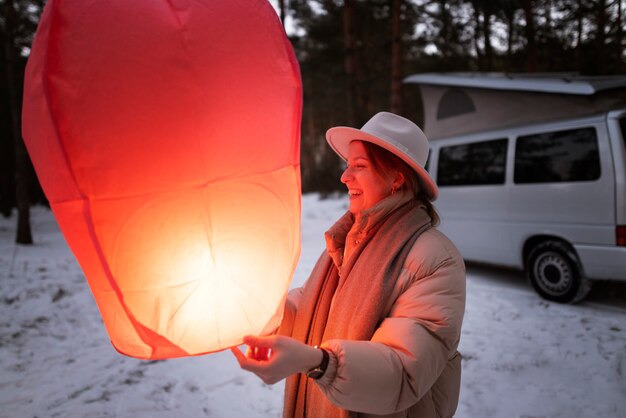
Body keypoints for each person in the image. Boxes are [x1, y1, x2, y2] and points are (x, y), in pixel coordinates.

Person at [232, 112, 466, 418]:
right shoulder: (350, 238)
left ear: (396, 179)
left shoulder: (435, 259)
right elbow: (312, 310)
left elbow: (402, 372)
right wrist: (258, 311)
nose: (344, 177)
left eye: (359, 167)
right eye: (347, 166)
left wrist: (319, 363)